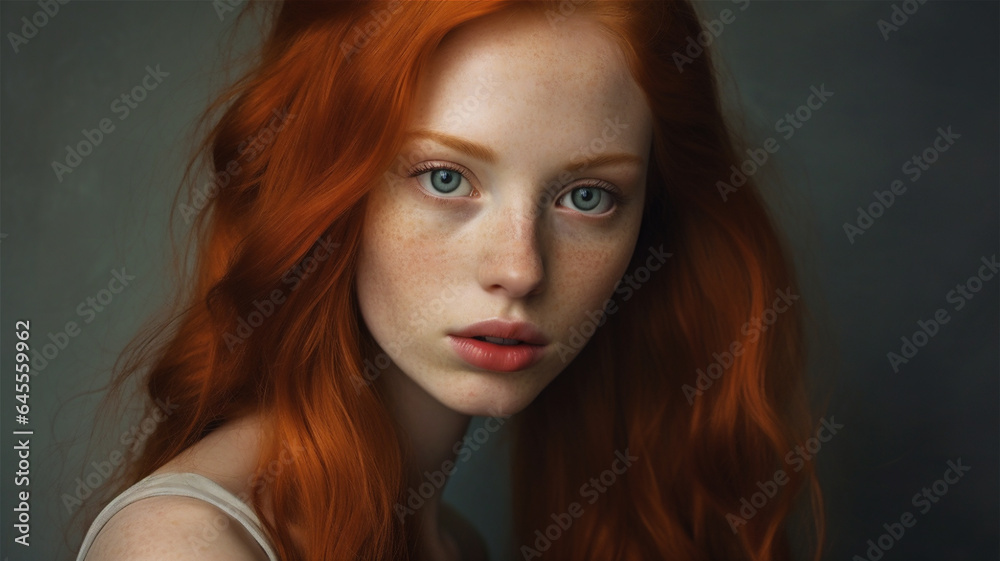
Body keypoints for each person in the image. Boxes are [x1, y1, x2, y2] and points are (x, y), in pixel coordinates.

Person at [76, 1, 824, 560]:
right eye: (444, 177)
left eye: (587, 196)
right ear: (332, 191)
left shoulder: (450, 541)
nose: (520, 269)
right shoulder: (182, 545)